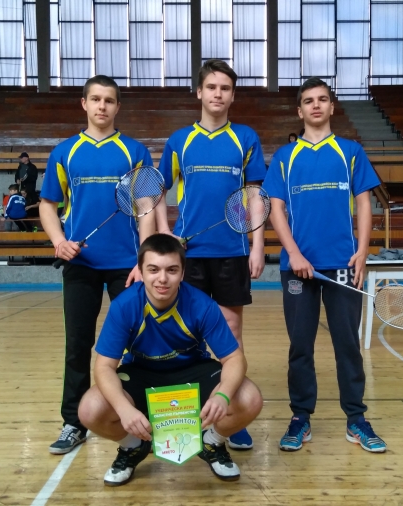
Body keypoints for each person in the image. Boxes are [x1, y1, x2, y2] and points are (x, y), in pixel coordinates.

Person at [77, 234, 263, 486]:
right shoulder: (124, 306)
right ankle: (133, 446)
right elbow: (103, 367)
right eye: (153, 269)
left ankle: (211, 442)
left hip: (193, 371)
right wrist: (123, 409)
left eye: (171, 270)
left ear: (182, 273)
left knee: (249, 398)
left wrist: (222, 396)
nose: (162, 279)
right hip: (141, 373)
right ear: (141, 271)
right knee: (90, 409)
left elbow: (234, 358)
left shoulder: (202, 305)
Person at [262, 77, 386, 454]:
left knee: (347, 344)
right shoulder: (285, 157)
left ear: (332, 106)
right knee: (300, 345)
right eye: (308, 101)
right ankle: (300, 417)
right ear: (299, 111)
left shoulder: (350, 152)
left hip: (343, 264)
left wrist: (362, 251)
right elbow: (275, 209)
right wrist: (294, 253)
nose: (315, 105)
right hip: (297, 267)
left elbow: (363, 203)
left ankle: (356, 419)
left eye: (322, 99)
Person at [40, 75, 156, 456]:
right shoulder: (65, 153)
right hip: (81, 265)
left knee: (137, 343)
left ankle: (142, 416)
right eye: (95, 99)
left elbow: (146, 207)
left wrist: (143, 259)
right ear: (84, 104)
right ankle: (74, 423)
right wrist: (59, 242)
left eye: (109, 100)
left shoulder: (134, 151)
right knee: (78, 344)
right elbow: (47, 205)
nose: (102, 106)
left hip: (128, 267)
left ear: (117, 106)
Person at [153, 59, 266, 450]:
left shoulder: (245, 138)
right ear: (199, 92)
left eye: (225, 88)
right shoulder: (180, 140)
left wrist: (257, 245)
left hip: (232, 252)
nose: (218, 94)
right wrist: (165, 232)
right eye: (212, 87)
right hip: (190, 254)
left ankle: (232, 415)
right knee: (187, 336)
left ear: (233, 95)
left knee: (231, 335)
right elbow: (158, 190)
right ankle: (188, 415)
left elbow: (255, 195)